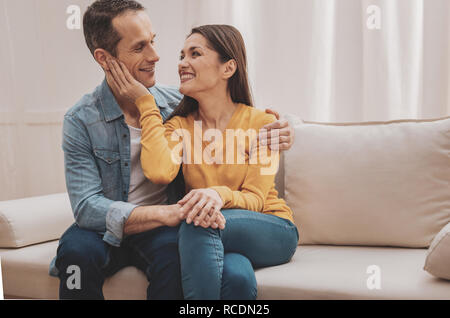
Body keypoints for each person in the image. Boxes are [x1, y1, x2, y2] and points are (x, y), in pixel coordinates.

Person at [49, 0, 295, 300]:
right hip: (127, 225)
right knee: (76, 253)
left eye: (153, 42)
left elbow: (253, 175)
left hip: (180, 227)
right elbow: (88, 205)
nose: (156, 56)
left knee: (184, 252)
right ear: (104, 57)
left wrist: (287, 127)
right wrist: (167, 213)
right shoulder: (83, 119)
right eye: (140, 47)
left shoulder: (175, 101)